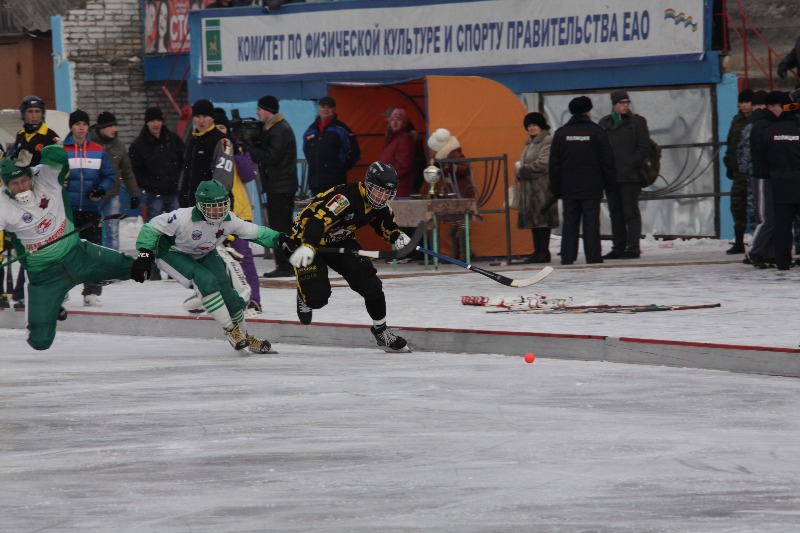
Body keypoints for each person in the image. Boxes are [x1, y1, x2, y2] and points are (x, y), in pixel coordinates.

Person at [0, 145, 135, 350]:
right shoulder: (3, 203)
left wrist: (37, 154)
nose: (22, 187)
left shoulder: (45, 176)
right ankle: (54, 306)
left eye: (24, 180)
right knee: (40, 341)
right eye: (14, 184)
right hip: (45, 276)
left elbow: (59, 154)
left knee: (140, 267)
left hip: (78, 255)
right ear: (5, 185)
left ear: (31, 175)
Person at [130, 179, 284, 354]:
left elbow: (258, 232)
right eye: (213, 206)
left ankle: (244, 335)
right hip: (172, 252)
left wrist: (281, 239)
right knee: (205, 280)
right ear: (200, 206)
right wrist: (144, 255)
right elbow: (151, 228)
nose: (219, 211)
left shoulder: (230, 219)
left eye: (222, 205)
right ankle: (230, 329)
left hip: (204, 252)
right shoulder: (182, 217)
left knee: (232, 298)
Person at [287, 162, 412, 352]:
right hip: (309, 239)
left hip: (340, 240)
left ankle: (381, 332)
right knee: (317, 299)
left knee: (372, 285)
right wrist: (308, 245)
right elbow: (317, 221)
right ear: (368, 185)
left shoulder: (380, 206)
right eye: (378, 191)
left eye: (387, 193)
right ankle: (304, 295)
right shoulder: (344, 199)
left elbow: (386, 225)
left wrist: (397, 236)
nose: (382, 197)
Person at [3, 96, 62, 309]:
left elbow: (59, 169)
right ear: (24, 115)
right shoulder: (19, 137)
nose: (34, 115)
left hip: (43, 202)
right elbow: (10, 166)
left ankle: (29, 291)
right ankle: (21, 292)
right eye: (30, 112)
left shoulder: (50, 138)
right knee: (26, 248)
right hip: (22, 201)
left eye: (38, 112)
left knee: (41, 248)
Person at [549, 96, 616, 265]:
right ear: (587, 112)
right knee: (591, 222)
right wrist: (609, 185)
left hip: (568, 187)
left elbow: (554, 165)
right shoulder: (597, 132)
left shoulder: (561, 133)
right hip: (591, 186)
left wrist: (556, 188)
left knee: (570, 221)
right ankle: (593, 256)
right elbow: (607, 161)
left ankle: (567, 256)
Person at [63, 109, 118, 307]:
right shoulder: (61, 149)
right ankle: (63, 289)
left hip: (91, 209)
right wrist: (61, 184)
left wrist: (99, 190)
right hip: (67, 211)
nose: (81, 128)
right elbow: (51, 177)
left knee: (93, 252)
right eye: (77, 124)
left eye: (84, 124)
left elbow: (110, 176)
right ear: (71, 126)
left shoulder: (97, 149)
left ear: (88, 127)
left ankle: (92, 291)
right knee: (66, 252)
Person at [213, 108, 263, 314]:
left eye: (222, 127)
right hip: (213, 212)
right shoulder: (206, 148)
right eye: (216, 128)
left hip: (238, 212)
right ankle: (215, 299)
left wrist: (240, 152)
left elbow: (249, 175)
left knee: (243, 257)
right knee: (213, 259)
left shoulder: (235, 149)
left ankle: (254, 299)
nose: (219, 131)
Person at [247, 95, 298, 278]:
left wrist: (249, 151)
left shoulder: (279, 130)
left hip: (281, 186)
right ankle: (287, 263)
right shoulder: (274, 128)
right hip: (279, 185)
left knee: (280, 227)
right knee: (280, 225)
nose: (257, 112)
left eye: (259, 109)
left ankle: (286, 265)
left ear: (268, 111)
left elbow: (271, 157)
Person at [598, 89, 650, 259]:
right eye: (621, 103)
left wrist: (632, 163)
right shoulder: (605, 123)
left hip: (630, 176)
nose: (625, 106)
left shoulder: (637, 122)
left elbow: (644, 146)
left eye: (627, 103)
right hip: (612, 176)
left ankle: (633, 247)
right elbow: (600, 148)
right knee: (615, 213)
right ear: (614, 105)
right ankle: (618, 247)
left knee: (631, 212)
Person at [90, 111, 140, 251]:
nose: (114, 129)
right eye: (110, 126)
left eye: (115, 126)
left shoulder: (118, 145)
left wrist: (134, 194)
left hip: (113, 195)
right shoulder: (89, 143)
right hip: (92, 195)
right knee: (93, 231)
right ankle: (95, 259)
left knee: (112, 231)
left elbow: (127, 172)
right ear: (101, 128)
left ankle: (113, 261)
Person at [762, 92, 800, 271]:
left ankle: (783, 262)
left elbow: (763, 157)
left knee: (783, 225)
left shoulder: (770, 130)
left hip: (780, 184)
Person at [427, 128, 475, 262]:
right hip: (453, 190)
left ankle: (464, 254)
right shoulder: (443, 157)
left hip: (461, 191)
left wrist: (449, 167)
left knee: (460, 222)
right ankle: (461, 253)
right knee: (456, 222)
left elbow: (465, 168)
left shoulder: (453, 154)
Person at [129, 107, 184, 223]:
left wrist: (177, 180)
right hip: (153, 194)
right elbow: (135, 171)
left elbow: (183, 161)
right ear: (147, 123)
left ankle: (173, 242)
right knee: (153, 228)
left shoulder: (173, 139)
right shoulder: (138, 145)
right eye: (152, 121)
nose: (156, 124)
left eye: (158, 121)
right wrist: (151, 185)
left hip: (173, 192)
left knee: (177, 226)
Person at [515, 113, 557, 264]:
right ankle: (537, 251)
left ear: (541, 126)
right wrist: (519, 170)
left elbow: (543, 164)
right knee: (534, 221)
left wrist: (524, 170)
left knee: (543, 220)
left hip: (542, 187)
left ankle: (544, 252)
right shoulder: (529, 143)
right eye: (529, 126)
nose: (531, 128)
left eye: (534, 125)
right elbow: (524, 162)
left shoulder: (547, 141)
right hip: (530, 189)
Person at [739, 90, 775, 268]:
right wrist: (745, 170)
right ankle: (755, 251)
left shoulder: (758, 124)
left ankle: (766, 252)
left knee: (765, 217)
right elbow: (742, 152)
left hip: (760, 175)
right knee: (763, 217)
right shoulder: (754, 126)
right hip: (759, 176)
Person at [178, 98, 235, 209]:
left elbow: (223, 176)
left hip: (214, 207)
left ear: (212, 118)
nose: (201, 121)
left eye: (205, 116)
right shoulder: (193, 141)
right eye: (198, 116)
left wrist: (211, 200)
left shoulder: (223, 141)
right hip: (190, 206)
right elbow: (186, 171)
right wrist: (182, 193)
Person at [302, 95, 361, 196]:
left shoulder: (341, 129)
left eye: (329, 107)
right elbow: (307, 151)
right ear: (318, 108)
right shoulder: (310, 131)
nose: (326, 109)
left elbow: (354, 153)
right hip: (315, 183)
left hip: (335, 184)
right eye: (323, 107)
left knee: (334, 211)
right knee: (318, 211)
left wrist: (339, 169)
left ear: (334, 110)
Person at [723, 88, 755, 254]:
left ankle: (757, 242)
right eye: (741, 103)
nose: (743, 106)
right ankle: (739, 241)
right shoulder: (737, 120)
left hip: (753, 172)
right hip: (738, 171)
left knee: (755, 208)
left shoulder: (756, 120)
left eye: (746, 102)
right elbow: (731, 143)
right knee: (737, 206)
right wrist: (729, 163)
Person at [379, 106, 416, 197]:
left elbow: (403, 166)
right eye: (393, 120)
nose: (395, 123)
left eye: (398, 120)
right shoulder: (393, 138)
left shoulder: (404, 140)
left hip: (398, 189)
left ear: (404, 123)